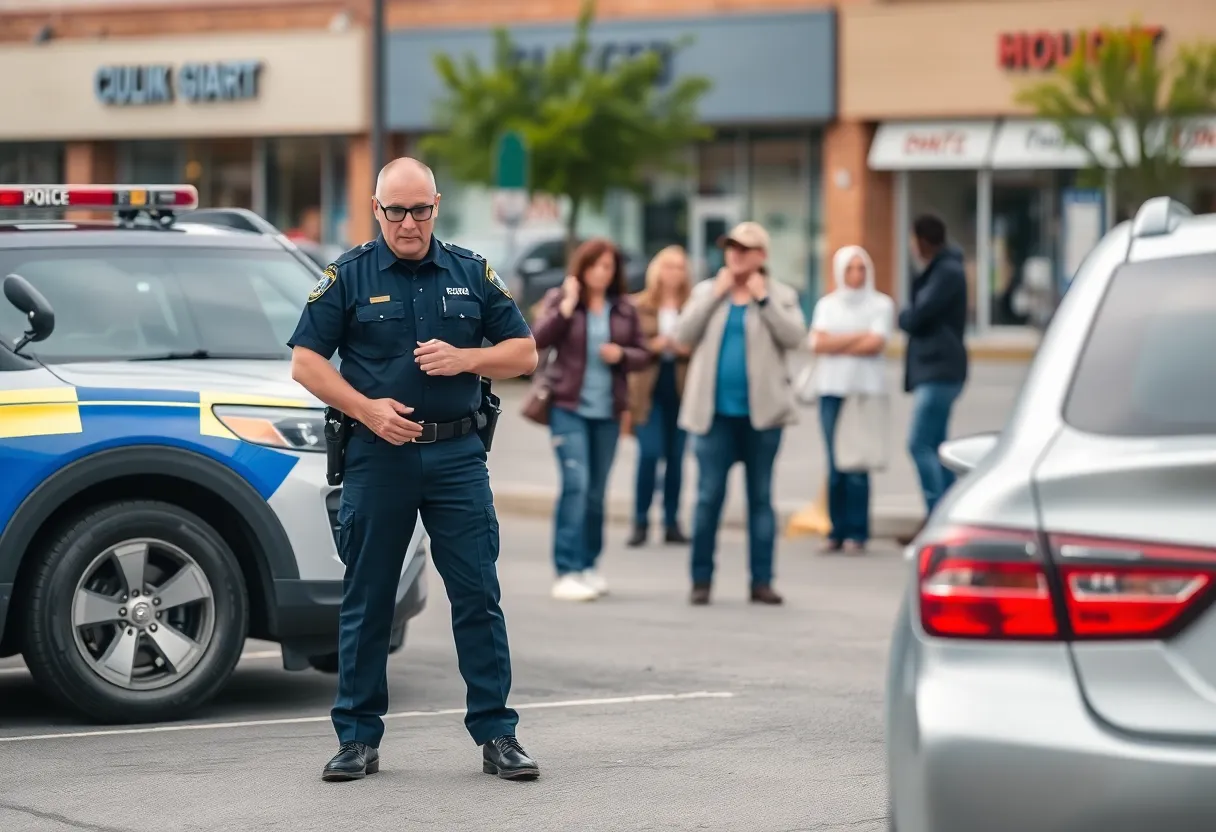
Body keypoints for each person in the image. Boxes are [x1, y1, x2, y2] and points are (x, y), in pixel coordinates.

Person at [287, 157, 542, 782]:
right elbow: (307, 363)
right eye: (396, 210)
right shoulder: (348, 274)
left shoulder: (470, 271)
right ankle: (356, 737)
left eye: (420, 209)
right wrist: (366, 410)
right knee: (368, 598)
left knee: (477, 596)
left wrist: (465, 358)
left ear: (437, 205)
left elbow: (525, 353)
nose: (408, 222)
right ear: (377, 210)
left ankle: (497, 733)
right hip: (380, 457)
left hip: (457, 456)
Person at [675, 222, 807, 606]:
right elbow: (683, 336)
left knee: (761, 499)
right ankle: (701, 580)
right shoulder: (706, 291)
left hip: (762, 418)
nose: (735, 254)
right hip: (713, 416)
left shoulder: (781, 294)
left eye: (745, 248)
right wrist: (713, 295)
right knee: (707, 497)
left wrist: (764, 300)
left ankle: (761, 582)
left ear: (762, 256)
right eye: (731, 247)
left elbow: (796, 338)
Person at [531, 238, 649, 601]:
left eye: (609, 267)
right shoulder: (561, 299)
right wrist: (566, 306)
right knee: (576, 485)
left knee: (597, 495)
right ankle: (565, 570)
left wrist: (622, 354)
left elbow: (644, 354)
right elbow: (536, 339)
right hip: (569, 408)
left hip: (608, 413)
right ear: (582, 267)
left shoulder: (624, 309)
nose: (602, 272)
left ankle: (588, 565)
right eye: (595, 265)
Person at [808, 245, 894, 554]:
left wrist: (837, 342)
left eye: (861, 268)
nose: (856, 275)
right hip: (832, 390)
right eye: (850, 268)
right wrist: (856, 337)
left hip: (865, 392)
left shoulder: (881, 304)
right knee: (834, 464)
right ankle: (836, 529)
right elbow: (817, 343)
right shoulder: (828, 305)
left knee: (858, 464)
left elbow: (875, 343)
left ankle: (859, 531)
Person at [899, 214, 968, 544]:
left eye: (914, 239)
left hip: (940, 369)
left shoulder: (946, 272)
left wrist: (903, 316)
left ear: (924, 241)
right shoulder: (941, 270)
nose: (911, 246)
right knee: (938, 448)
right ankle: (950, 515)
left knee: (919, 443)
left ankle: (937, 518)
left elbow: (917, 315)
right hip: (936, 368)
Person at [626, 245, 693, 547]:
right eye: (668, 266)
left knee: (677, 458)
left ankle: (671, 521)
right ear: (657, 270)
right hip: (648, 389)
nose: (674, 273)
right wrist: (654, 345)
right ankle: (640, 520)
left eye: (679, 267)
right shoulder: (639, 305)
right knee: (650, 454)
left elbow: (702, 344)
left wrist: (683, 348)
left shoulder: (693, 305)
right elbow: (629, 345)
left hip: (682, 388)